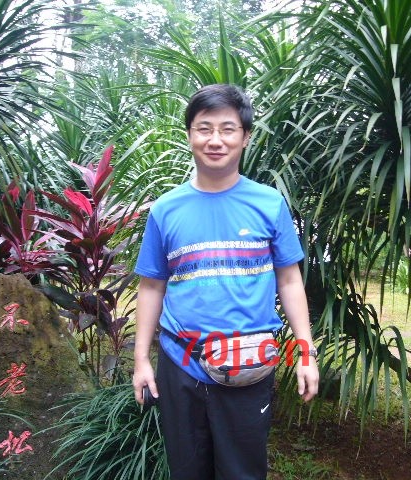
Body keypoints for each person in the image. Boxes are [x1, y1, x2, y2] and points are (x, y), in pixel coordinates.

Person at [132, 83, 319, 480]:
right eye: (204, 128)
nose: (215, 140)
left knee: (242, 472)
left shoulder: (269, 203)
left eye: (228, 129)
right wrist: (141, 360)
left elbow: (289, 280)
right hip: (180, 363)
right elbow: (151, 287)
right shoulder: (165, 210)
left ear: (245, 137)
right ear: (190, 135)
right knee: (186, 471)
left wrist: (305, 353)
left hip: (249, 363)